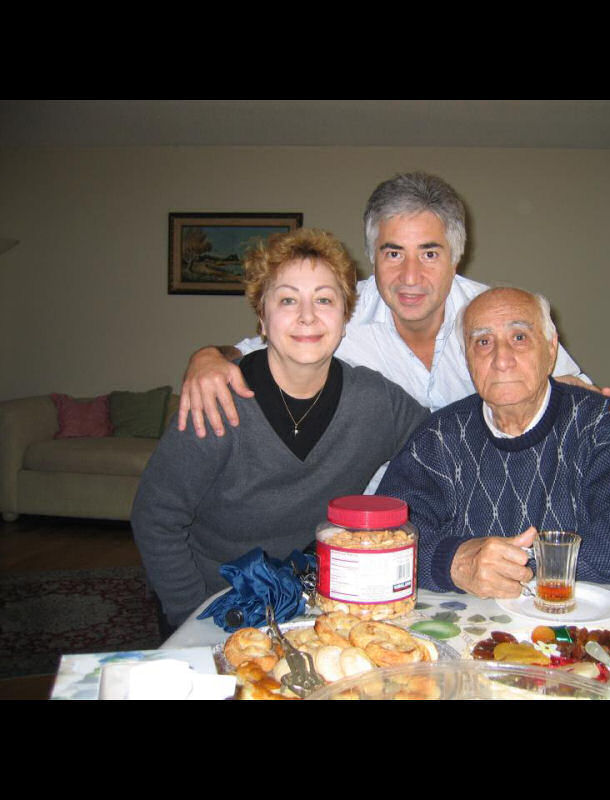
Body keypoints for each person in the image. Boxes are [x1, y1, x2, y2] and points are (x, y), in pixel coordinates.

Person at [178, 172, 610, 445]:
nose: (409, 276)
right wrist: (207, 358)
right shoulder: (336, 316)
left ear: (456, 256)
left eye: (428, 253)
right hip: (371, 516)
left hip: (482, 516)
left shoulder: (498, 318)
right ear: (372, 256)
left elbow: (572, 392)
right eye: (393, 252)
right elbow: (251, 352)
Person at [131, 229, 429, 627]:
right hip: (215, 603)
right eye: (288, 300)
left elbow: (443, 447)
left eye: (324, 299)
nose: (307, 315)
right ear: (262, 318)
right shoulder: (217, 400)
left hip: (312, 602)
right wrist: (191, 617)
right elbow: (155, 518)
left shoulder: (376, 403)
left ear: (345, 317)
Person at [376, 287, 610, 598]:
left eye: (519, 337)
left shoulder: (604, 426)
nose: (502, 359)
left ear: (551, 349)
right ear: (467, 359)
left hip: (575, 617)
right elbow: (386, 536)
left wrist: (503, 564)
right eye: (483, 342)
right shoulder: (438, 437)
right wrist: (454, 562)